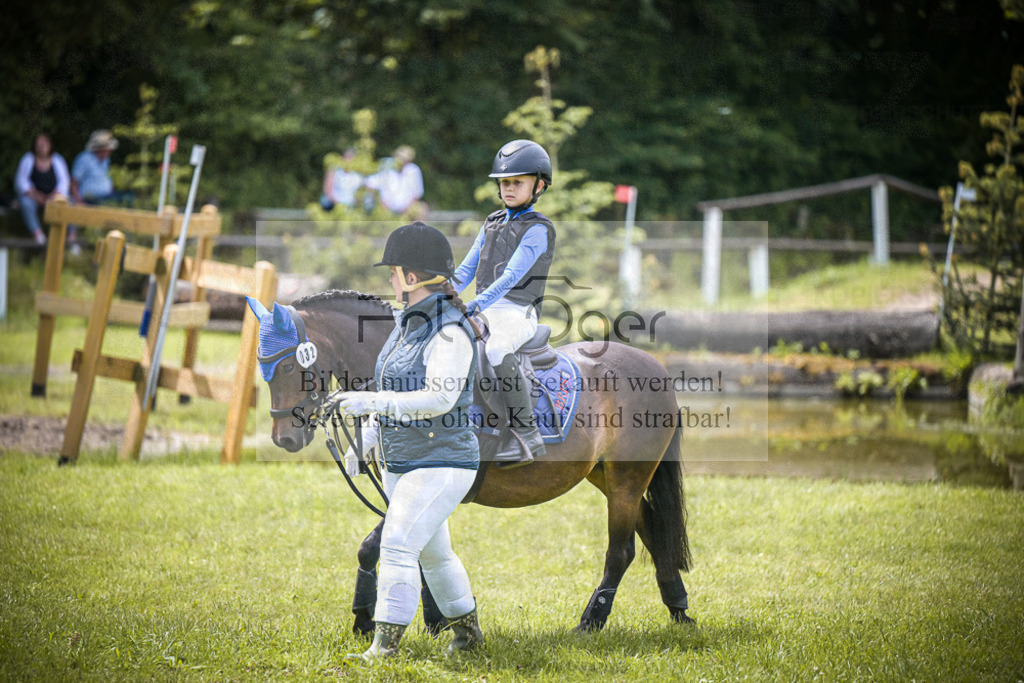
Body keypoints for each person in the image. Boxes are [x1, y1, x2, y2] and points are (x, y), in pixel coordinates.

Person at [336, 221, 484, 661]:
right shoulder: (405, 324)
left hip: (443, 460)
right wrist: (361, 440)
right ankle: (468, 638)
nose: (389, 278)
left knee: (399, 544)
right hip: (404, 460)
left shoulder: (451, 330)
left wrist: (369, 402)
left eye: (394, 270)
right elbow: (389, 387)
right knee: (437, 555)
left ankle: (384, 648)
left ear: (412, 277)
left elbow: (439, 397)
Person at [452, 139, 556, 467]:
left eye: (517, 182)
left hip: (517, 313)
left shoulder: (539, 229)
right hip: (485, 308)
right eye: (505, 182)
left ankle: (527, 433)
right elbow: (466, 269)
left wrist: (474, 304)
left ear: (538, 185)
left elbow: (511, 276)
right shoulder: (491, 222)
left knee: (496, 349)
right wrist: (438, 294)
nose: (508, 188)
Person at [14, 134, 70, 245]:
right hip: (33, 198)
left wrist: (54, 196)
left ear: (50, 145)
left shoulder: (58, 160)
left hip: (54, 197)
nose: (42, 146)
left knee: (70, 203)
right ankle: (38, 235)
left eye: (45, 143)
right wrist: (36, 196)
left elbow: (64, 182)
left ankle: (70, 239)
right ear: (34, 146)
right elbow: (21, 182)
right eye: (39, 144)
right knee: (26, 204)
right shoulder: (27, 159)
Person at [71, 129, 133, 206]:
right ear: (101, 149)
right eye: (109, 148)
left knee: (129, 196)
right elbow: (74, 183)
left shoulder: (106, 160)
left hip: (106, 197)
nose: (111, 150)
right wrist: (79, 202)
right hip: (90, 199)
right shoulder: (84, 159)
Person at [365, 145, 425, 216]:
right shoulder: (387, 167)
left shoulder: (413, 170)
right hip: (385, 208)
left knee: (422, 209)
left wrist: (407, 209)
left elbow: (417, 194)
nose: (402, 161)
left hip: (408, 209)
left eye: (405, 159)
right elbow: (370, 183)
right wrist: (380, 201)